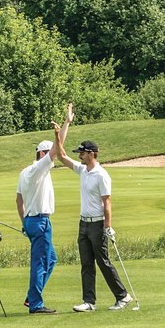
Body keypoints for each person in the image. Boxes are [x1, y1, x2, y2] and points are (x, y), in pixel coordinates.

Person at [54, 104, 132, 311]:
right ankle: (89, 302)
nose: (79, 155)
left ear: (91, 154)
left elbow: (107, 202)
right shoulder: (82, 171)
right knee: (86, 264)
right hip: (83, 224)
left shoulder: (101, 175)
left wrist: (108, 226)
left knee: (103, 262)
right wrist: (65, 124)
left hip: (98, 225)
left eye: (82, 152)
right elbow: (61, 156)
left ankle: (123, 296)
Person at [16, 116, 70, 314]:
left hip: (31, 221)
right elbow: (58, 148)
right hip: (40, 221)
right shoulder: (39, 168)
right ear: (41, 154)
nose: (51, 156)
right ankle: (36, 303)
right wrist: (64, 127)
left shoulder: (25, 172)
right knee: (40, 263)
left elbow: (18, 201)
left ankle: (32, 296)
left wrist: (25, 224)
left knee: (51, 259)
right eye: (47, 153)